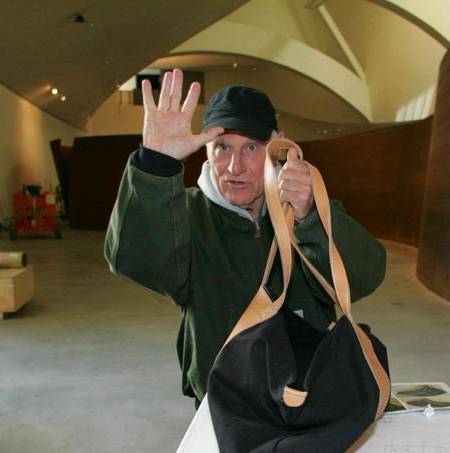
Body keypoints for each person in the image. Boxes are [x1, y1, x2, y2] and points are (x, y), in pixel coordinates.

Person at [105, 68, 386, 407]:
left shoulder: (304, 207)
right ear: (205, 149)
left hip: (308, 394)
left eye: (251, 147)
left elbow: (366, 276)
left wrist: (310, 216)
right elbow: (133, 260)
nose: (234, 166)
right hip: (226, 401)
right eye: (222, 147)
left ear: (278, 144)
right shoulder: (186, 215)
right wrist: (155, 166)